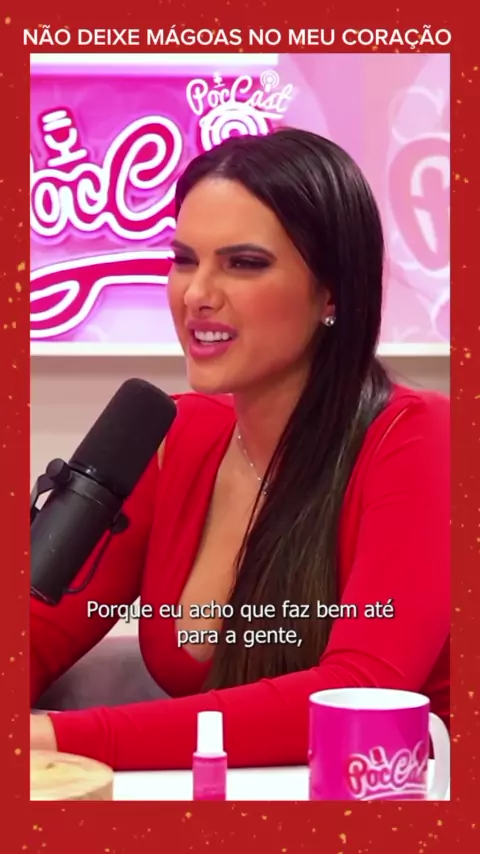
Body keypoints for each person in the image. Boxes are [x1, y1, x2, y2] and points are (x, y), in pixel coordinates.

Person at [30, 128, 450, 771]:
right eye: (183, 259)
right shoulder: (173, 436)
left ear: (332, 291)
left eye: (244, 263)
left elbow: (360, 694)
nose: (197, 294)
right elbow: (35, 632)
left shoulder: (419, 437)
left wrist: (59, 740)